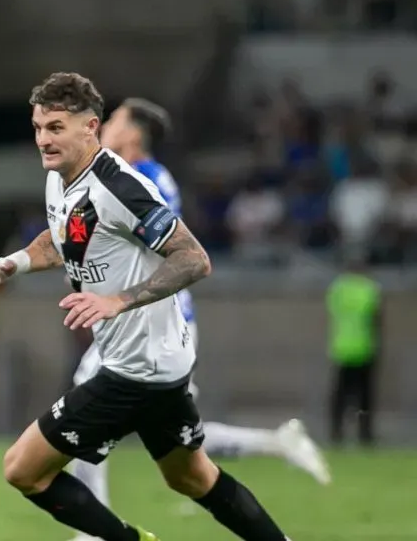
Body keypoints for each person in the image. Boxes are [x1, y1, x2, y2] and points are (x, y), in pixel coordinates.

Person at [0, 72, 292, 541]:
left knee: (23, 468)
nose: (43, 138)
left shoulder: (120, 186)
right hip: (158, 362)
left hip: (134, 368)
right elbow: (65, 239)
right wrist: (14, 263)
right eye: (39, 126)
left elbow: (193, 258)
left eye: (56, 127)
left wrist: (118, 300)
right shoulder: (61, 179)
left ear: (91, 127)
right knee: (191, 477)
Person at [64, 99, 330, 539]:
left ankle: (92, 531)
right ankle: (277, 443)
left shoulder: (139, 180)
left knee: (87, 404)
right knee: (180, 442)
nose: (105, 126)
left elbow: (152, 249)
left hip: (149, 324)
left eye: (112, 120)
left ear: (131, 135)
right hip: (149, 321)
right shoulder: (139, 177)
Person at [326, 256, 381, 446]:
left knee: (341, 395)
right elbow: (376, 320)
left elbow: (333, 311)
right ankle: (364, 434)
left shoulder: (338, 288)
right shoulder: (369, 289)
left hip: (342, 348)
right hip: (365, 348)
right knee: (364, 397)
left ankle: (336, 432)